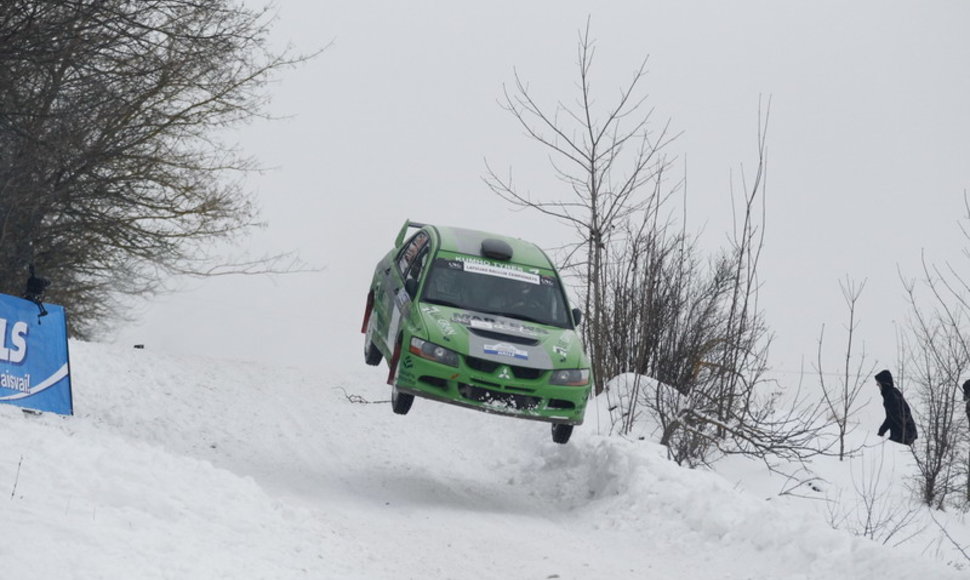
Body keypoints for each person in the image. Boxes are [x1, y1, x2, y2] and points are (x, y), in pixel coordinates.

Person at [875, 370, 917, 446]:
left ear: (884, 383)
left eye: (878, 383)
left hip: (904, 433)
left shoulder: (891, 396)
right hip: (904, 432)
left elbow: (892, 417)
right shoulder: (892, 393)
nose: (877, 385)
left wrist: (881, 431)